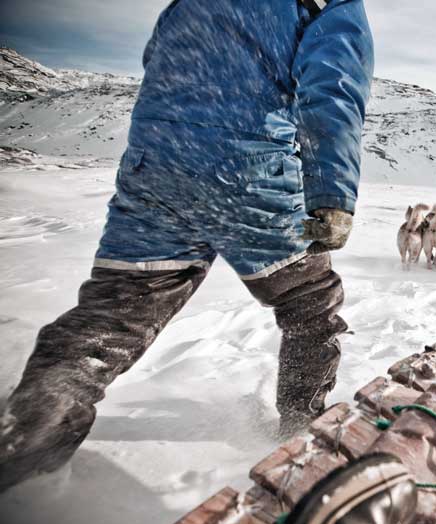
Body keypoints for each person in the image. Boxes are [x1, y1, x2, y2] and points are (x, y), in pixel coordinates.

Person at [0, 0, 374, 492]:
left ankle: (25, 461)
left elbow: (160, 59)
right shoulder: (328, 4)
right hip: (248, 174)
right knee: (310, 303)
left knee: (107, 323)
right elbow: (333, 91)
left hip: (155, 171)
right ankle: (299, 426)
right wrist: (332, 195)